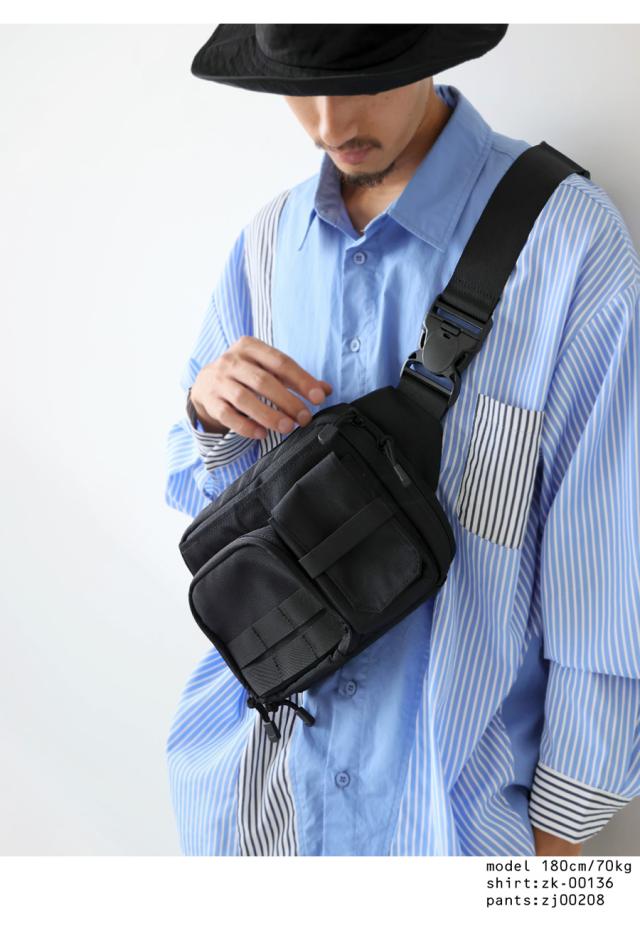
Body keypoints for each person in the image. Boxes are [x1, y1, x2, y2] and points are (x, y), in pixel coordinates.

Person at [165, 24, 640, 856]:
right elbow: (200, 499)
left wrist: (556, 849)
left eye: (363, 80)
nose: (328, 123)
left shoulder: (567, 245)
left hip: (451, 829)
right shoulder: (267, 246)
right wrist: (208, 413)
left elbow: (606, 577)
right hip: (258, 817)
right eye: (301, 86)